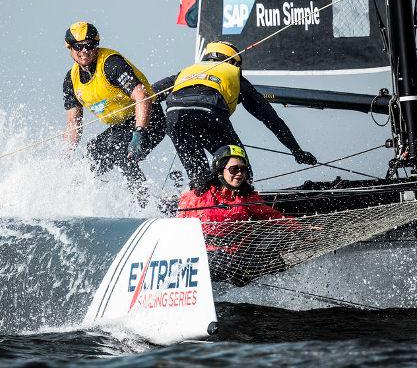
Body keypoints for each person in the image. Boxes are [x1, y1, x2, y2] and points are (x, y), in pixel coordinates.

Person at [153, 40, 317, 187]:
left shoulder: (185, 72)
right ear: (233, 62)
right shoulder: (234, 75)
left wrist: (150, 130)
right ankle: (243, 200)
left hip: (174, 120)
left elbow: (146, 96)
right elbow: (272, 120)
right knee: (239, 169)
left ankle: (199, 200)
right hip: (210, 115)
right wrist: (296, 151)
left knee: (200, 178)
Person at [62, 22, 165, 201]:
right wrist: (64, 154)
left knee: (122, 153)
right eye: (79, 47)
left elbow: (143, 97)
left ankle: (146, 203)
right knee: (92, 154)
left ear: (97, 45)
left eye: (89, 45)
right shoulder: (71, 80)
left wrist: (140, 132)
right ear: (70, 48)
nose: (84, 51)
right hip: (121, 126)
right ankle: (83, 201)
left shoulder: (111, 64)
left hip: (148, 119)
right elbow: (73, 125)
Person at [178, 145, 301, 286]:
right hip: (205, 259)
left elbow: (275, 218)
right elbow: (179, 225)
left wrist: (302, 228)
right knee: (219, 262)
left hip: (237, 260)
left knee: (276, 262)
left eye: (243, 169)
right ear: (220, 169)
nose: (239, 173)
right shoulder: (197, 196)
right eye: (234, 169)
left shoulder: (248, 198)